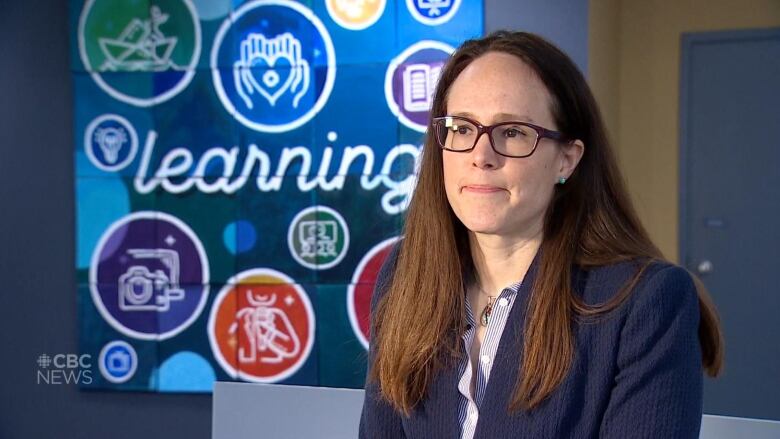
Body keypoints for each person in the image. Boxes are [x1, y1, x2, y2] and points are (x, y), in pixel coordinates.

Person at [359, 30, 723, 439]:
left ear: (566, 159)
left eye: (512, 132)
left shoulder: (645, 303)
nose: (481, 156)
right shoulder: (406, 275)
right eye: (462, 128)